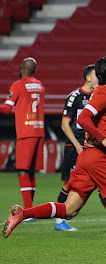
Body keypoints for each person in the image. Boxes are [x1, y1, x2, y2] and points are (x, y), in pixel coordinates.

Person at [2, 56, 106, 264]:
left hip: (87, 159)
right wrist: (104, 140)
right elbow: (83, 119)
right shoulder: (103, 94)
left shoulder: (102, 94)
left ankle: (23, 213)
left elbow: (97, 124)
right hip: (100, 160)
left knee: (69, 211)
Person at [56, 64, 106, 231]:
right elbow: (66, 124)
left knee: (99, 183)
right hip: (77, 144)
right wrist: (77, 146)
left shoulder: (99, 95)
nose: (99, 78)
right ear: (88, 77)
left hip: (92, 144)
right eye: (96, 75)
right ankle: (59, 220)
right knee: (69, 184)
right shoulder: (75, 96)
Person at [0, 57, 45, 222]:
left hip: (26, 132)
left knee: (22, 170)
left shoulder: (17, 85)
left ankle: (28, 213)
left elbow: (6, 110)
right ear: (34, 71)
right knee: (31, 171)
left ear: (20, 69)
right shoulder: (40, 85)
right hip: (39, 130)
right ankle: (31, 210)